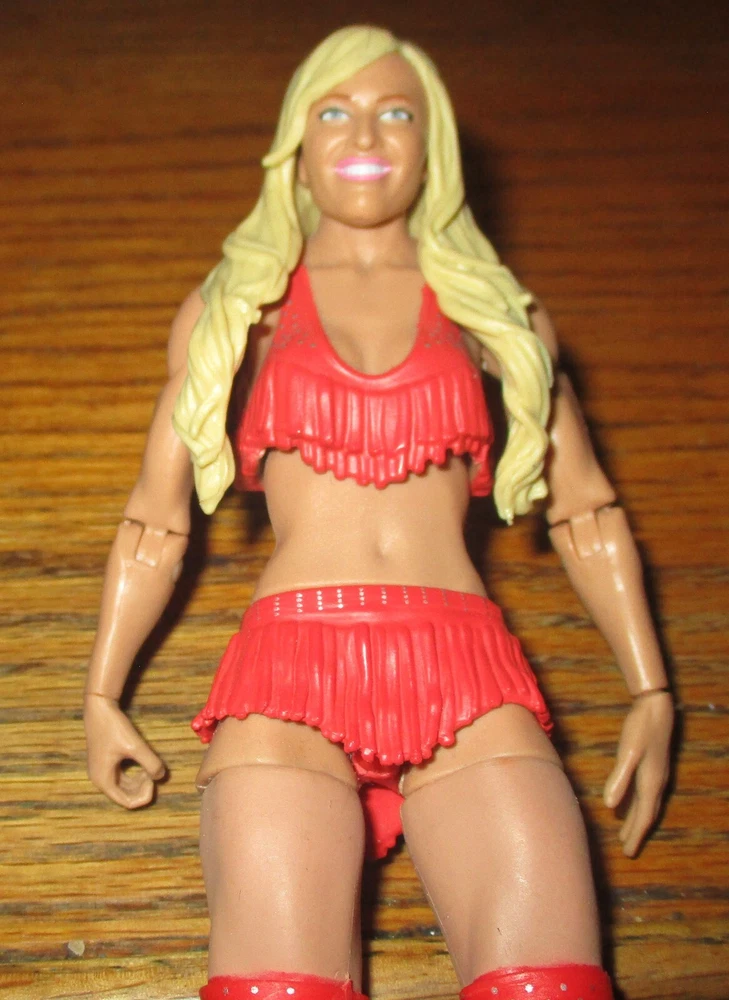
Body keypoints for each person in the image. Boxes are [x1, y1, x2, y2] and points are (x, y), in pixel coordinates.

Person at [83, 25, 674, 1000]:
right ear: (297, 145)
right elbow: (156, 521)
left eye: (396, 112)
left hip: (464, 670)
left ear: (432, 146)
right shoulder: (240, 311)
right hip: (288, 673)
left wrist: (650, 690)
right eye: (335, 111)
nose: (366, 134)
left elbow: (587, 512)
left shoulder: (497, 315)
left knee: (552, 980)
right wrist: (103, 694)